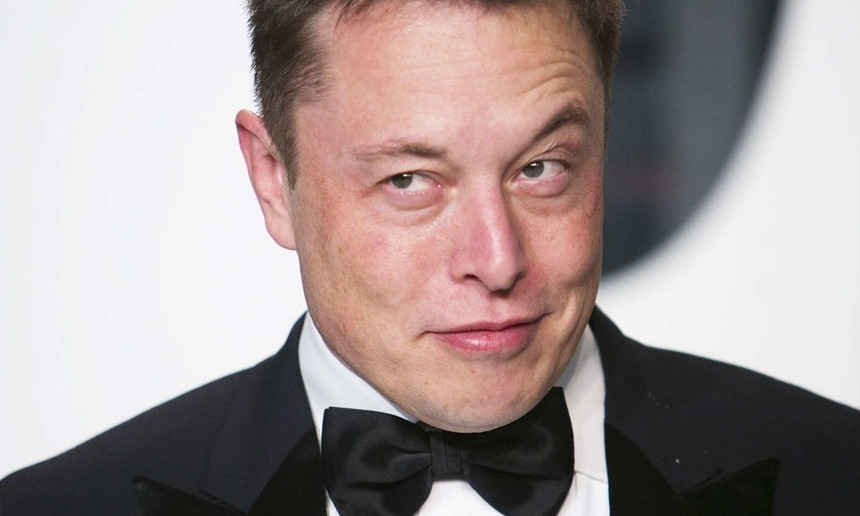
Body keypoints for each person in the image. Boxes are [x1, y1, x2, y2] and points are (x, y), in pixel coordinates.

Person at [1, 0, 857, 514]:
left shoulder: (836, 475)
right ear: (272, 179)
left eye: (541, 168)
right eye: (410, 180)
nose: (497, 260)